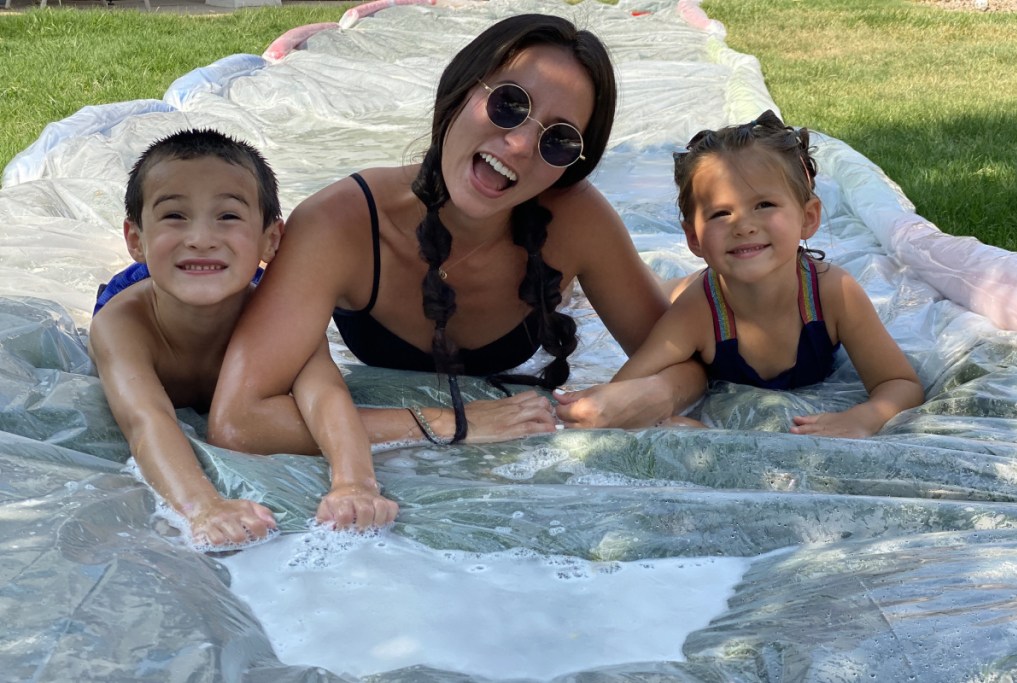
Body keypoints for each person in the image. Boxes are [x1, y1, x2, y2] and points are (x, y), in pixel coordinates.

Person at [207, 13, 707, 450]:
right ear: (460, 89)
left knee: (685, 293)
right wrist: (452, 423)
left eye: (558, 139)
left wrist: (653, 394)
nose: (518, 145)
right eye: (509, 104)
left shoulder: (575, 221)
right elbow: (238, 421)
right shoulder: (340, 224)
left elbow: (687, 358)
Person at [88, 129, 397, 549]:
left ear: (271, 240)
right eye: (174, 216)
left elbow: (325, 394)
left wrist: (354, 482)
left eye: (228, 216)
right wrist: (202, 507)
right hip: (148, 293)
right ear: (135, 240)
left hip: (238, 287)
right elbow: (146, 421)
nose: (201, 237)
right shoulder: (121, 323)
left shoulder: (281, 319)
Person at [612, 110, 924, 438]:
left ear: (808, 217)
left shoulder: (834, 294)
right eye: (720, 213)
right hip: (690, 293)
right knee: (660, 292)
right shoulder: (697, 311)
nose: (743, 226)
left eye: (764, 205)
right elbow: (623, 388)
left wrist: (865, 417)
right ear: (694, 238)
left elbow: (900, 384)